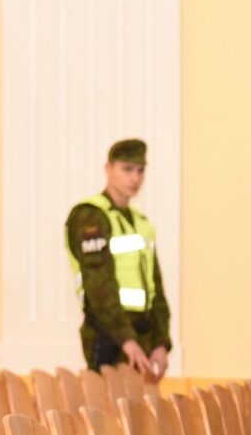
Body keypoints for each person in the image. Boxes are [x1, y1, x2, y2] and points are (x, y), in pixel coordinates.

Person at [66, 138, 172, 380]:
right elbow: (99, 287)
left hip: (141, 335)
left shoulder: (140, 223)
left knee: (140, 414)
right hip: (109, 336)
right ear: (108, 169)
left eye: (140, 170)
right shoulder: (90, 215)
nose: (135, 178)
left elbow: (155, 289)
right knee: (109, 412)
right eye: (127, 169)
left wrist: (161, 342)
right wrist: (127, 340)